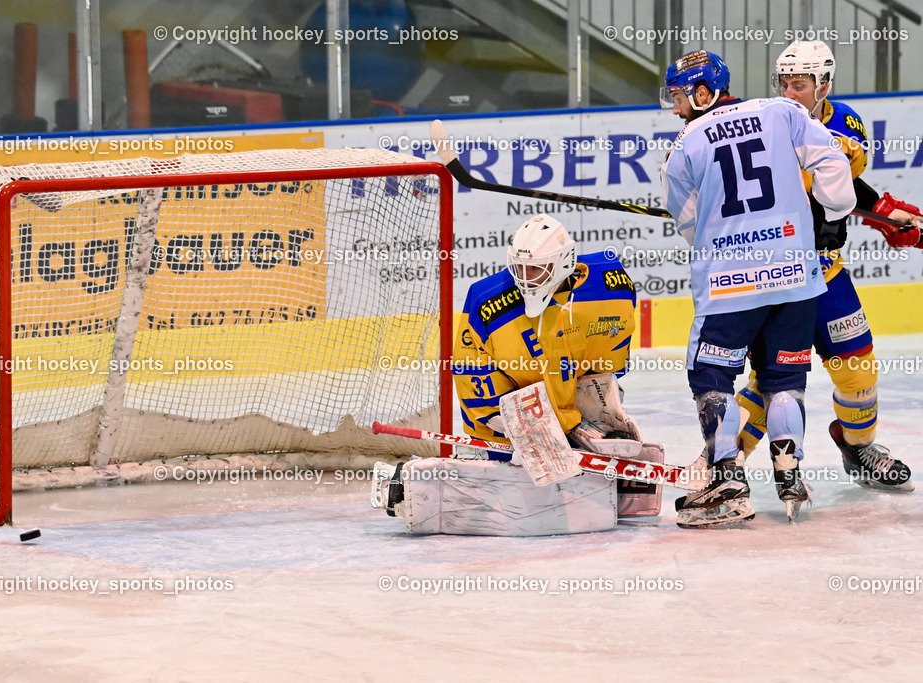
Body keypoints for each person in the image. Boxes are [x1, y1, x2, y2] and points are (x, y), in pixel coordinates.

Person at [371, 214, 661, 535]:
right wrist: (505, 427)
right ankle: (409, 480)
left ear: (564, 263)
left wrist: (602, 411)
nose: (525, 278)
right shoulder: (488, 301)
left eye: (536, 268)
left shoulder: (609, 286)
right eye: (519, 268)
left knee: (604, 447)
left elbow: (606, 358)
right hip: (515, 414)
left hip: (570, 414)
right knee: (513, 468)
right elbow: (471, 373)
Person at [659, 50, 855, 526]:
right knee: (784, 380)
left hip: (729, 286)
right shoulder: (782, 112)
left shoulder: (685, 144)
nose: (675, 106)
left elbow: (687, 222)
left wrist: (717, 229)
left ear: (704, 93)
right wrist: (829, 212)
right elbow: (834, 173)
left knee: (710, 376)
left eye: (680, 95)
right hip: (795, 278)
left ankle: (727, 480)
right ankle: (789, 473)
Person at [735, 40, 918, 492]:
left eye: (801, 84)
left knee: (857, 368)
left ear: (824, 85)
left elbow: (845, 185)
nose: (791, 91)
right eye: (785, 83)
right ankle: (724, 462)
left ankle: (859, 447)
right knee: (771, 379)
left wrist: (890, 215)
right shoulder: (759, 123)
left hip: (826, 268)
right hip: (776, 275)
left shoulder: (844, 125)